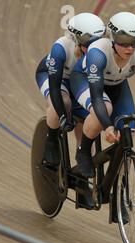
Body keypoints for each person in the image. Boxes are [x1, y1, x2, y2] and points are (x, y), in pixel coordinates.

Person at [70, 12, 135, 178]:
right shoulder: (98, 53)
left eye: (134, 42)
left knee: (128, 132)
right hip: (85, 80)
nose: (130, 48)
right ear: (112, 38)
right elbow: (97, 97)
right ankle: (83, 151)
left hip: (117, 85)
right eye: (124, 42)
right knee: (104, 109)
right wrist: (107, 127)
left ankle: (114, 185)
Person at [35, 13, 106, 167]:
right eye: (91, 42)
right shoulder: (61, 48)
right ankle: (52, 139)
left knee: (88, 128)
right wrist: (62, 117)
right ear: (76, 40)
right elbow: (54, 88)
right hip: (53, 77)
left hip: (78, 82)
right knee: (62, 101)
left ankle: (83, 182)